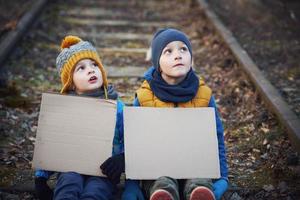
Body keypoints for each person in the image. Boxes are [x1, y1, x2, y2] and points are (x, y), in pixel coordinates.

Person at [34, 35, 144, 200]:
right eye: (81, 68)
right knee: (68, 185)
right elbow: (52, 144)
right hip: (70, 166)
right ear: (70, 83)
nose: (91, 70)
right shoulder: (64, 108)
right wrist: (41, 176)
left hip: (103, 170)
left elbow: (129, 138)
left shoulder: (117, 106)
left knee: (96, 191)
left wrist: (122, 158)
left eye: (94, 65)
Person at [133, 28, 228, 200]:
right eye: (168, 51)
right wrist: (131, 186)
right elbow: (134, 142)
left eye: (183, 49)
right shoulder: (144, 96)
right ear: (157, 62)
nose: (178, 55)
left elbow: (216, 136)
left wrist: (222, 178)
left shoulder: (203, 94)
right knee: (161, 181)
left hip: (195, 163)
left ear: (191, 58)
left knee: (199, 179)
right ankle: (163, 195)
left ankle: (199, 192)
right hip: (158, 165)